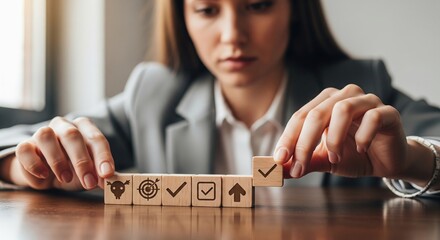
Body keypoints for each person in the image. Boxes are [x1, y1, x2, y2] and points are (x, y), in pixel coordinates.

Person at [0, 0, 439, 197]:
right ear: (183, 18)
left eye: (259, 5)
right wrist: (27, 165)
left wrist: (413, 162)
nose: (233, 36)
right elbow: (20, 144)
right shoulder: (152, 93)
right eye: (208, 10)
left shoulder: (360, 84)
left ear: (295, 10)